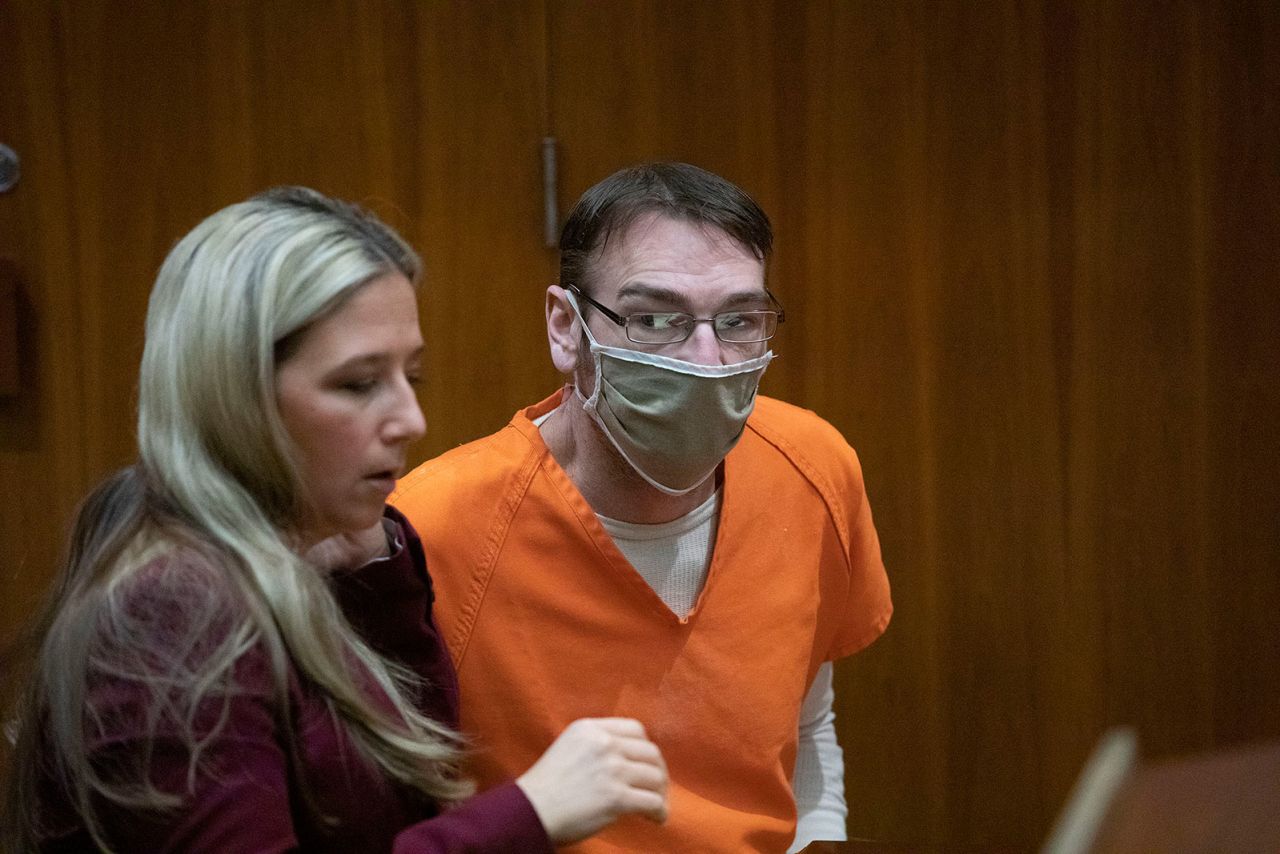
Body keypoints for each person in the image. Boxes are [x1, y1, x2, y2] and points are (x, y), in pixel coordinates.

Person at [0, 187, 668, 852]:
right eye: (358, 383)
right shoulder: (170, 609)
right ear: (237, 396)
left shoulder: (306, 550)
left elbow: (406, 795)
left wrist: (380, 577)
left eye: (413, 376)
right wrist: (531, 812)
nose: (411, 420)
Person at [391, 162, 892, 852]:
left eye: (740, 320)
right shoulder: (432, 529)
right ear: (567, 328)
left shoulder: (812, 468)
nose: (707, 359)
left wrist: (817, 841)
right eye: (656, 319)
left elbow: (805, 726)